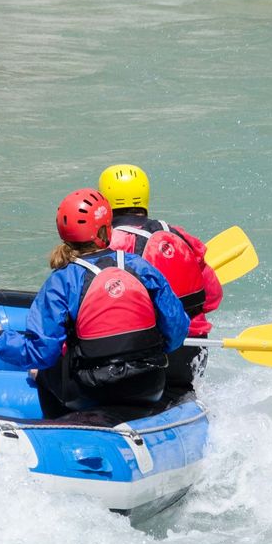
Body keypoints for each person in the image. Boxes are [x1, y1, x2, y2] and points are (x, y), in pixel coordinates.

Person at [0, 189, 191, 418]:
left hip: (93, 392)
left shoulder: (61, 281)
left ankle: (59, 428)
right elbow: (177, 329)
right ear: (106, 229)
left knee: (44, 368)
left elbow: (41, 352)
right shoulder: (140, 267)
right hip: (150, 385)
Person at [98, 163, 220, 394]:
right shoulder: (178, 235)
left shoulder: (106, 244)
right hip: (192, 355)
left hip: (143, 361)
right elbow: (213, 298)